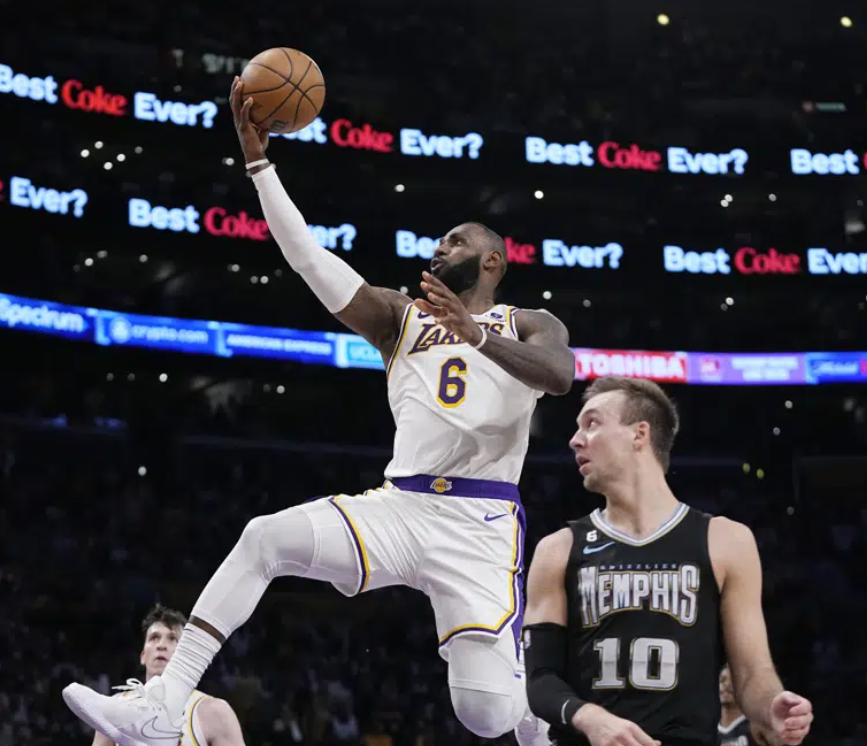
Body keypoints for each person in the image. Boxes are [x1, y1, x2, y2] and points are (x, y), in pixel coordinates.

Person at [62, 77, 574, 746]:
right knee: (262, 537)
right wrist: (258, 165)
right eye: (438, 241)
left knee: (482, 713)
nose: (437, 247)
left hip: (479, 523)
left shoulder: (527, 321)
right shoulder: (399, 316)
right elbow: (307, 257)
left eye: (453, 241)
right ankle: (163, 701)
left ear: (492, 260)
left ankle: (535, 718)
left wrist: (476, 334)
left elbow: (561, 377)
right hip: (401, 505)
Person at [521, 377, 814, 746]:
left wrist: (770, 706)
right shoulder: (558, 548)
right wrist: (589, 717)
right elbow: (540, 680)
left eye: (592, 424)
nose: (575, 439)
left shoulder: (726, 541)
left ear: (639, 435)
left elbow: (753, 673)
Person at [81, 605, 244, 746]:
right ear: (143, 655)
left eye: (172, 639)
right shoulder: (114, 708)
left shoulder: (214, 712)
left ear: (185, 654)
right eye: (154, 638)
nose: (161, 645)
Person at [717, 666, 768, 746]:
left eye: (734, 681)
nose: (726, 684)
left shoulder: (757, 727)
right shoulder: (707, 730)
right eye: (722, 680)